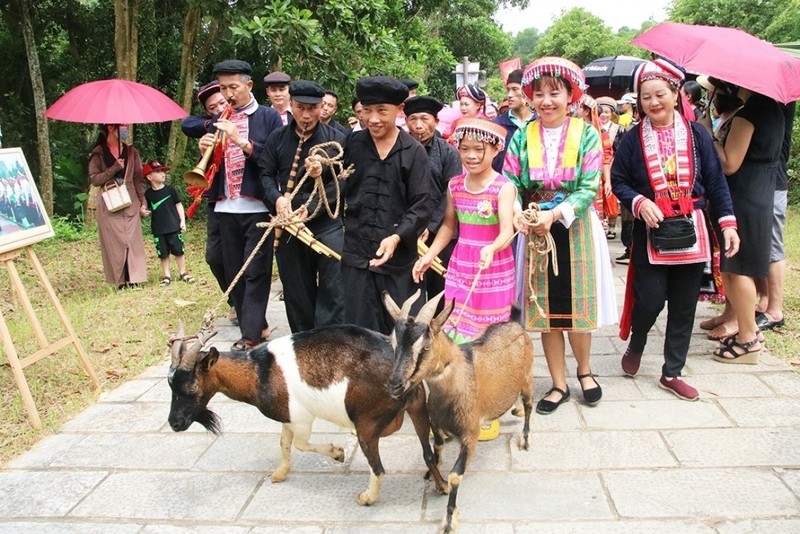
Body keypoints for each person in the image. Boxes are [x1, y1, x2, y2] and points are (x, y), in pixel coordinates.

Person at [611, 60, 740, 400]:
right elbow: (618, 181)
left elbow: (715, 182)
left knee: (684, 305)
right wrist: (639, 201)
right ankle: (637, 341)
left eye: (660, 94)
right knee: (650, 300)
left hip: (691, 228)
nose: (654, 103)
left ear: (675, 93)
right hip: (652, 230)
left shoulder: (697, 134)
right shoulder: (632, 139)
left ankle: (672, 372)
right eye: (646, 97)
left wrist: (727, 223)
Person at [503, 57, 616, 415]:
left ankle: (585, 372)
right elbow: (510, 181)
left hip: (575, 224)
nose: (546, 101)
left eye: (555, 93)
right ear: (530, 97)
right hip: (535, 228)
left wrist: (556, 213)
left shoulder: (587, 134)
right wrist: (520, 213)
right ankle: (557, 383)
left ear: (571, 95)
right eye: (539, 94)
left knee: (577, 305)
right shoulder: (522, 135)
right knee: (545, 308)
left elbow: (588, 186)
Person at [198, 59, 283, 350]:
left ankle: (249, 336)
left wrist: (242, 142)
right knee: (233, 268)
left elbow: (272, 161)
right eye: (223, 88)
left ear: (248, 85)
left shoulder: (269, 117)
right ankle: (256, 323)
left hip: (257, 207)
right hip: (225, 206)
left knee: (256, 269)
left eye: (233, 87)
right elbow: (211, 166)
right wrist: (206, 150)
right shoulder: (217, 118)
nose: (229, 93)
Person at [701, 81, 786, 364]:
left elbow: (729, 163)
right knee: (736, 266)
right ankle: (741, 324)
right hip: (759, 192)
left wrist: (709, 134)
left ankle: (747, 338)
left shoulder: (751, 113)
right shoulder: (772, 108)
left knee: (738, 269)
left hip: (744, 197)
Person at [341, 76, 433, 334]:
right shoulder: (352, 144)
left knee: (402, 332)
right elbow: (334, 181)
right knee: (358, 334)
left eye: (382, 111)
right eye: (367, 111)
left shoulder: (414, 152)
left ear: (399, 110)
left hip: (398, 262)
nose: (373, 119)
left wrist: (396, 237)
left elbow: (421, 205)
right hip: (357, 256)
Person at [414, 117, 515, 342]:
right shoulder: (455, 185)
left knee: (490, 333)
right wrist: (429, 255)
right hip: (461, 264)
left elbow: (507, 230)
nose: (471, 156)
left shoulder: (503, 187)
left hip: (493, 266)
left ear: (496, 149)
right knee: (456, 321)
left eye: (479, 149)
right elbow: (449, 225)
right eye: (465, 149)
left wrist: (491, 248)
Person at [260, 80, 347, 333]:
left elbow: (343, 182)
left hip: (326, 223)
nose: (306, 115)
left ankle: (331, 343)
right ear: (291, 105)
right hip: (289, 224)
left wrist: (314, 206)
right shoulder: (277, 138)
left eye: (313, 108)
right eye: (300, 108)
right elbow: (265, 174)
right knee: (296, 289)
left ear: (322, 107)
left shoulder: (337, 141)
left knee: (334, 288)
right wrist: (277, 199)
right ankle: (304, 344)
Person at [181, 81, 236, 321]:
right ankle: (235, 300)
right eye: (213, 107)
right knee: (214, 256)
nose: (219, 108)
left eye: (222, 102)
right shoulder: (210, 128)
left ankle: (250, 308)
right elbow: (187, 124)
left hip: (248, 199)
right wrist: (206, 142)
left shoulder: (248, 118)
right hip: (218, 199)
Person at [404, 95, 462, 308]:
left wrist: (429, 225)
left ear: (436, 121)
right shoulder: (401, 150)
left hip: (441, 231)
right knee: (412, 290)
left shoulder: (449, 153)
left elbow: (450, 193)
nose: (418, 125)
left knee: (440, 292)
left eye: (424, 119)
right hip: (409, 230)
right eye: (413, 119)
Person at [88, 124, 148, 289]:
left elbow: (138, 179)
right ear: (110, 127)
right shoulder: (98, 153)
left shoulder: (131, 152)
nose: (125, 129)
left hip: (131, 200)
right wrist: (113, 169)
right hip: (109, 202)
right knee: (115, 242)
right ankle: (120, 281)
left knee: (132, 240)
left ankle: (135, 279)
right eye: (121, 126)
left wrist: (143, 201)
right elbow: (95, 179)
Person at [754, 101, 795, 331]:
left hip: (773, 182)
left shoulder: (778, 99)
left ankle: (775, 310)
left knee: (772, 244)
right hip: (762, 183)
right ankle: (765, 300)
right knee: (764, 244)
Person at [142, 161, 196, 287]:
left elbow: (179, 205)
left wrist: (182, 221)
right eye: (158, 171)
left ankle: (183, 273)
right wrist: (144, 212)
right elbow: (148, 209)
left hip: (173, 226)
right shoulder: (148, 194)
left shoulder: (170, 190)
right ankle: (167, 275)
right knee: (163, 253)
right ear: (149, 177)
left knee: (179, 250)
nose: (162, 174)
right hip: (158, 229)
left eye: (163, 171)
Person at [493, 68, 535, 172]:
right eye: (508, 90)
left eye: (515, 89)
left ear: (527, 91)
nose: (509, 95)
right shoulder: (496, 125)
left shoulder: (540, 123)